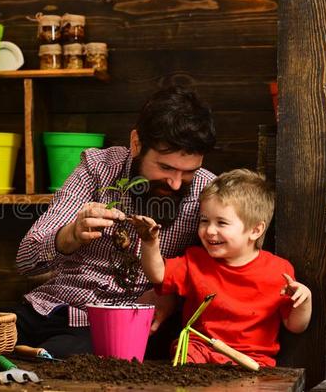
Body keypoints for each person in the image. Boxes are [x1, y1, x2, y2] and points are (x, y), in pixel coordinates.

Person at [15, 85, 217, 358]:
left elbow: (223, 273)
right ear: (136, 143)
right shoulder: (98, 168)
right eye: (165, 167)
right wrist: (71, 235)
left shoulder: (208, 191)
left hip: (119, 326)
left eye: (189, 171)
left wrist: (173, 294)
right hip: (49, 307)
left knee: (57, 360)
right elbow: (26, 259)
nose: (176, 182)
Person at [132, 169, 312, 367]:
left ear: (255, 230)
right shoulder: (195, 261)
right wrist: (149, 243)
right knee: (185, 353)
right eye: (204, 220)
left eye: (222, 223)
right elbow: (158, 275)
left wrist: (304, 300)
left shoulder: (279, 270)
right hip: (200, 350)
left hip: (251, 360)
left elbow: (295, 325)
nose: (209, 230)